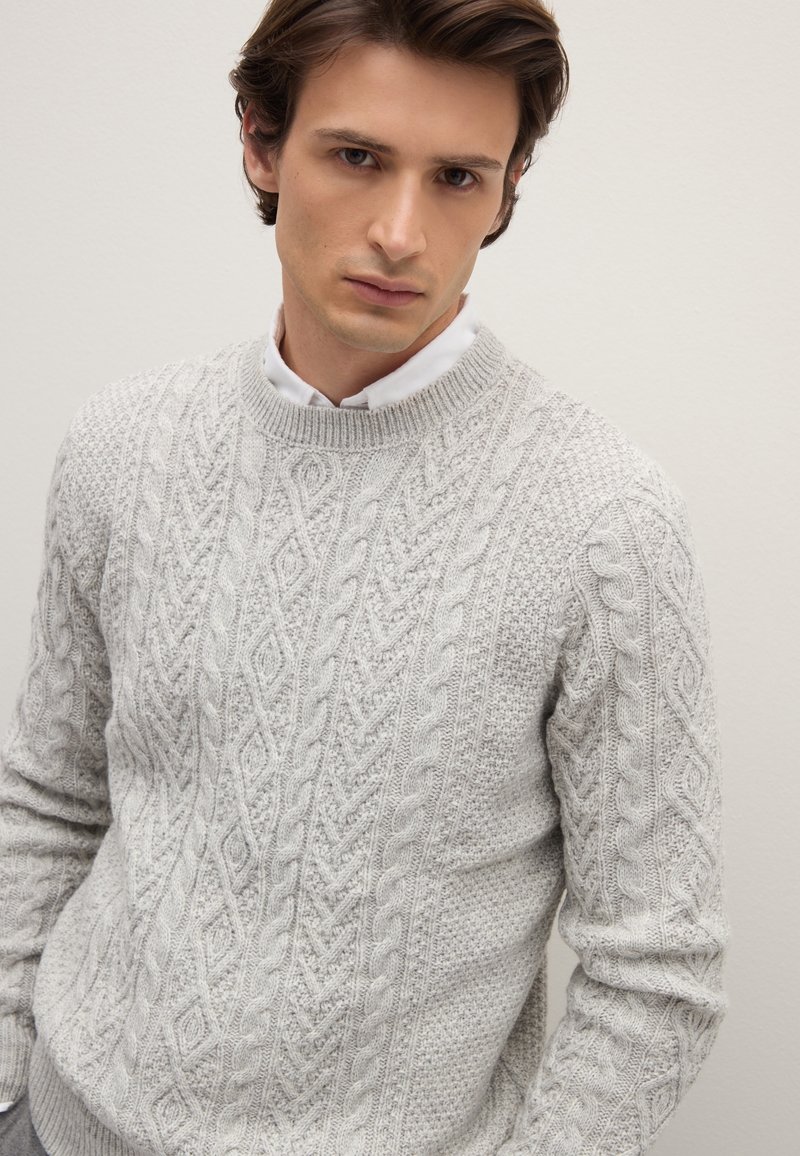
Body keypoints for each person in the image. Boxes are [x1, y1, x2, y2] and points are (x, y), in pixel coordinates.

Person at [0, 1, 730, 1153]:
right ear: (260, 141)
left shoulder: (601, 519)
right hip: (60, 1125)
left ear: (507, 190)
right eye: (355, 157)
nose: (399, 231)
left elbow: (656, 965)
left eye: (456, 177)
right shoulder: (120, 449)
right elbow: (50, 800)